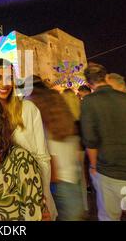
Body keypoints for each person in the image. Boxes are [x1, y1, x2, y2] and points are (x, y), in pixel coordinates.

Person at [80, 63, 126, 221]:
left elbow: (90, 140)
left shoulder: (90, 102)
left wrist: (93, 166)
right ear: (106, 77)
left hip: (112, 172)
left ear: (88, 84)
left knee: (110, 216)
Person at [0, 58, 56, 220]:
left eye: (9, 77)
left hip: (30, 197)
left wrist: (41, 198)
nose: (4, 84)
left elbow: (42, 158)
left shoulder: (28, 110)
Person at [27, 76, 84, 221]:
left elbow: (46, 146)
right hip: (71, 173)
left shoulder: (33, 105)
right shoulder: (57, 100)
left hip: (53, 177)